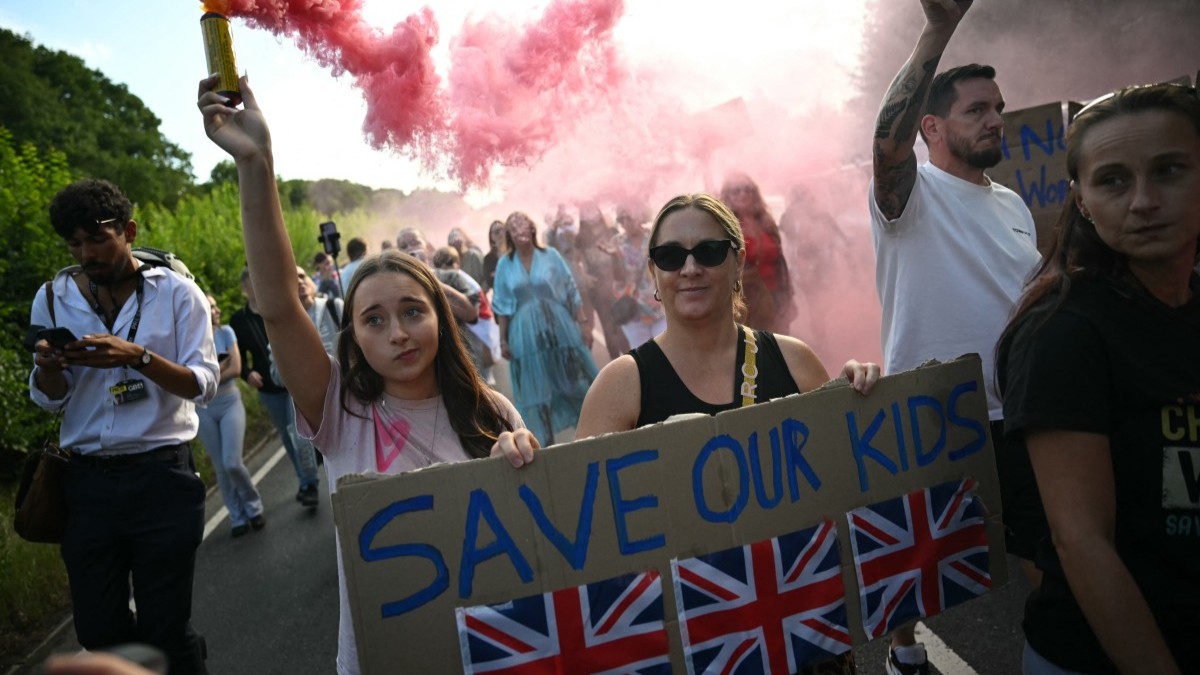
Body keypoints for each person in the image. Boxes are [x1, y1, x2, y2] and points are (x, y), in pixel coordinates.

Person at [200, 74, 539, 675]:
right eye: (374, 320)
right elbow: (277, 302)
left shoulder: (495, 411)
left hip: (498, 651)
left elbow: (542, 541)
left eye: (413, 312)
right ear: (352, 337)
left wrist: (525, 463)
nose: (398, 333)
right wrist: (257, 162)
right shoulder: (340, 413)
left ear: (441, 314)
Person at [575, 193, 879, 675]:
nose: (690, 268)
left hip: (805, 635)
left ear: (738, 261)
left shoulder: (794, 360)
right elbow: (584, 531)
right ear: (653, 273)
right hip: (693, 644)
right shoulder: (621, 385)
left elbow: (848, 487)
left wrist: (861, 403)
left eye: (709, 252)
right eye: (671, 256)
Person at [997, 83, 1200, 675]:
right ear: (1081, 201)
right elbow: (1084, 543)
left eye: (1169, 170)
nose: (1144, 200)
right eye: (1113, 180)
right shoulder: (1064, 333)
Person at [868, 2, 1044, 672]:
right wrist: (935, 34)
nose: (996, 119)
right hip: (936, 411)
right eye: (977, 110)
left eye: (998, 107)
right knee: (920, 553)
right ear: (932, 127)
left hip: (1018, 405)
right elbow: (887, 145)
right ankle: (905, 649)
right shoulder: (910, 196)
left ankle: (1054, 648)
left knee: (1041, 543)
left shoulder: (1013, 204)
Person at [28, 179, 219, 674]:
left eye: (98, 239)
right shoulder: (51, 298)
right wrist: (49, 369)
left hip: (163, 480)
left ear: (128, 231)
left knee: (165, 630)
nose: (86, 253)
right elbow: (52, 400)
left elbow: (203, 384)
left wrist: (138, 357)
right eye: (75, 243)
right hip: (87, 486)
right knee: (98, 631)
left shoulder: (179, 294)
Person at [492, 211, 598, 445]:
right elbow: (501, 304)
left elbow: (570, 290)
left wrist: (583, 324)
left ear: (532, 228)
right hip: (525, 334)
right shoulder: (505, 265)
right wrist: (503, 340)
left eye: (523, 224)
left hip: (559, 328)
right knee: (537, 392)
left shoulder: (550, 255)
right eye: (513, 227)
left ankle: (592, 437)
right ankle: (545, 447)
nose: (519, 230)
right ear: (509, 234)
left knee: (574, 382)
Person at [229, 268, 320, 508]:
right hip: (268, 388)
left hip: (291, 381)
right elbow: (236, 356)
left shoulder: (277, 308)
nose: (255, 288)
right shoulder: (239, 320)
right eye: (250, 284)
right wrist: (248, 374)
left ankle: (310, 482)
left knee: (299, 433)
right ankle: (304, 479)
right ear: (244, 289)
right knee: (287, 437)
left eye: (258, 282)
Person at [196, 293, 265, 537]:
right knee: (220, 466)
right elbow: (190, 380)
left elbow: (235, 368)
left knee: (232, 462)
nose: (216, 310)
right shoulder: (190, 339)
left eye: (216, 306)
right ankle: (236, 515)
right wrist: (217, 371)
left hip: (229, 402)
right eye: (210, 307)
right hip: (203, 409)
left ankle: (253, 505)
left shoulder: (226, 333)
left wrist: (207, 378)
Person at [719, 172, 794, 334]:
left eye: (747, 189)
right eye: (736, 190)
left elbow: (779, 261)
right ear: (727, 195)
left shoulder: (765, 221)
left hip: (776, 296)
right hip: (748, 301)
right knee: (755, 350)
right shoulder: (725, 226)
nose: (743, 194)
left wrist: (788, 295)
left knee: (781, 347)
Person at [577, 202, 631, 359]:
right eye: (586, 211)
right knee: (608, 327)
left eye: (592, 210)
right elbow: (576, 261)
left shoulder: (612, 231)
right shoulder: (580, 238)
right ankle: (617, 363)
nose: (590, 214)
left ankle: (632, 361)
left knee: (622, 326)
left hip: (617, 283)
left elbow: (624, 254)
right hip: (598, 288)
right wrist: (584, 276)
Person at [609, 200, 666, 348]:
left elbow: (667, 269)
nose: (625, 222)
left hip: (659, 306)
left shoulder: (656, 237)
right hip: (633, 311)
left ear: (640, 215)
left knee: (668, 353)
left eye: (629, 217)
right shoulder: (617, 242)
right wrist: (615, 258)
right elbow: (618, 279)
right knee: (646, 358)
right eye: (621, 219)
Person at [481, 219, 506, 294]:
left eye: (502, 230)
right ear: (491, 237)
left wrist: (498, 273)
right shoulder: (488, 259)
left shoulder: (516, 251)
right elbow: (490, 281)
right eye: (496, 232)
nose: (500, 233)